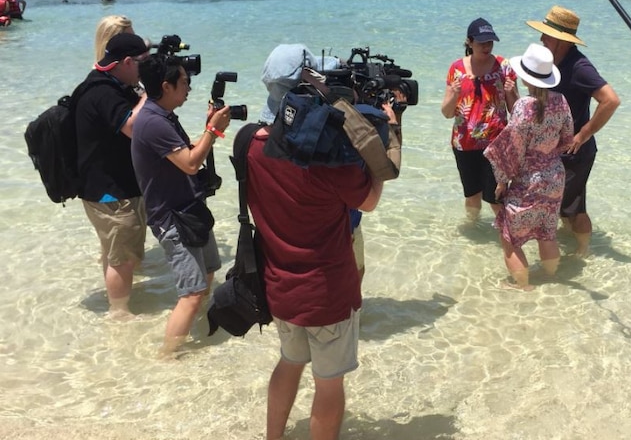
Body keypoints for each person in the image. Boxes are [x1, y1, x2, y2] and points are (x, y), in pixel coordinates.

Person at [246, 47, 397, 440]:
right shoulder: (327, 161)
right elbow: (370, 201)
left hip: (279, 285)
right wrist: (381, 139)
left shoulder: (249, 145)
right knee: (329, 384)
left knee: (288, 363)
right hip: (327, 291)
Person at [132, 50, 232, 356]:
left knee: (210, 273)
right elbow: (190, 163)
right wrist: (213, 130)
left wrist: (207, 130)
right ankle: (167, 358)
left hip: (189, 209)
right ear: (166, 86)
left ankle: (200, 325)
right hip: (173, 218)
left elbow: (185, 150)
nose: (189, 88)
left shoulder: (162, 115)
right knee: (192, 292)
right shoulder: (152, 121)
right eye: (185, 82)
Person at [526, 6, 620, 257]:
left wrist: (583, 134)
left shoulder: (579, 66)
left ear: (560, 40)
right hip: (557, 152)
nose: (541, 39)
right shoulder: (554, 61)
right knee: (564, 205)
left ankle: (582, 251)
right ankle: (571, 243)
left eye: (546, 35)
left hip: (575, 153)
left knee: (574, 207)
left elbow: (610, 100)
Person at [484, 44, 574, 290]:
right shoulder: (561, 100)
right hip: (555, 175)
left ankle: (523, 287)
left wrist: (501, 180)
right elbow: (568, 138)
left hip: (529, 179)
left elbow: (513, 146)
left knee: (509, 237)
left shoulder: (524, 105)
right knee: (547, 231)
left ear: (526, 76)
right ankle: (551, 278)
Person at [76, 32, 149, 319]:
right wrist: (150, 94)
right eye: (144, 63)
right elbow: (132, 127)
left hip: (99, 186)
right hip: (111, 191)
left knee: (113, 252)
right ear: (128, 62)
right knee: (123, 259)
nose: (147, 68)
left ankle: (117, 303)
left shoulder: (102, 81)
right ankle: (119, 313)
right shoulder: (103, 92)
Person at [441, 17, 518, 221]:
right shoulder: (456, 69)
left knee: (496, 197)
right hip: (464, 144)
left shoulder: (504, 66)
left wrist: (511, 93)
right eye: (482, 42)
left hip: (496, 144)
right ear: (469, 42)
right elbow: (447, 113)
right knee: (472, 195)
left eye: (490, 42)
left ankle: (507, 237)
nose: (487, 46)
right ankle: (473, 235)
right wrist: (455, 94)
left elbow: (516, 111)